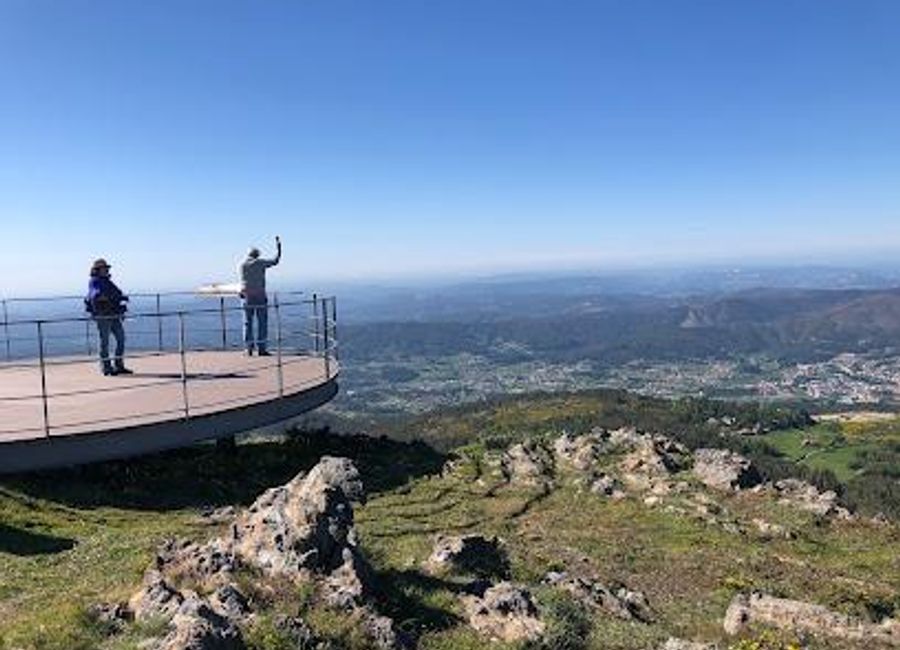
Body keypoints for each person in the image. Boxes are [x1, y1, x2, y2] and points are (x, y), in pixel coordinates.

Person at [84, 258, 132, 376]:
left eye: (107, 268)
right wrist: (101, 295)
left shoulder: (108, 281)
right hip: (103, 316)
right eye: (104, 268)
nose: (106, 270)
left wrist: (120, 297)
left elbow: (117, 292)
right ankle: (106, 368)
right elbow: (94, 293)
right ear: (97, 270)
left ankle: (118, 365)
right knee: (104, 342)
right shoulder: (94, 281)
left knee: (121, 339)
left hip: (114, 314)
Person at [239, 236, 282, 356]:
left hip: (246, 296)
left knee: (247, 322)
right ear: (257, 255)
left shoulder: (242, 264)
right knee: (262, 322)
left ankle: (249, 348)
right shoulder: (260, 263)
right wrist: (279, 248)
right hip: (260, 296)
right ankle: (261, 348)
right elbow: (275, 261)